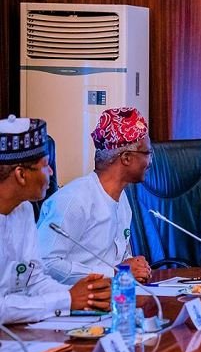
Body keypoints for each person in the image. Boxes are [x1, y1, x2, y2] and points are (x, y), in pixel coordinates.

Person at [0, 115, 111, 323]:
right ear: (21, 174)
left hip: (21, 334)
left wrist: (85, 295)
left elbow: (34, 281)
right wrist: (67, 299)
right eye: (45, 165)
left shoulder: (23, 210)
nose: (51, 172)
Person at [37, 107, 153, 284]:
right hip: (72, 306)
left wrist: (135, 266)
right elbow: (44, 263)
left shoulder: (122, 199)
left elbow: (119, 258)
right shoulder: (75, 199)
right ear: (127, 158)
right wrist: (114, 272)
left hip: (112, 300)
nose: (150, 161)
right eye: (147, 153)